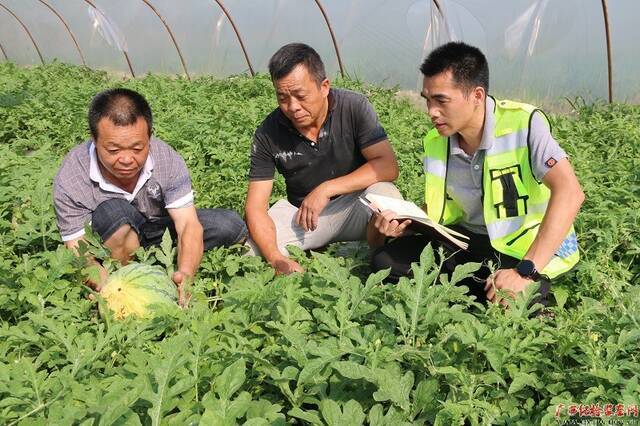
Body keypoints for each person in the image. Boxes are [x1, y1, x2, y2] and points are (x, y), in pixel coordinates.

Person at [369, 42, 584, 305]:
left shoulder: (523, 124)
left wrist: (525, 272)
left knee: (519, 296)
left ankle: (504, 288)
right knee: (385, 262)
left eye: (441, 101)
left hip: (520, 247)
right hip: (464, 240)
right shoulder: (437, 141)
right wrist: (405, 221)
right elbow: (441, 207)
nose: (431, 112)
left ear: (477, 96)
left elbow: (570, 193)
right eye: (427, 100)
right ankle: (481, 291)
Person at [53, 88, 247, 302]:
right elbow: (77, 250)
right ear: (94, 139)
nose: (126, 159)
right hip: (108, 240)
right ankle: (128, 283)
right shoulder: (72, 175)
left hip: (156, 229)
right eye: (114, 150)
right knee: (116, 215)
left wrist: (186, 275)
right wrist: (108, 290)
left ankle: (160, 270)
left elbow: (187, 224)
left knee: (230, 226)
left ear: (150, 137)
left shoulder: (166, 158)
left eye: (137, 148)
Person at [245, 43, 401, 274]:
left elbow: (387, 166)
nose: (292, 107)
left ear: (324, 86)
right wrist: (276, 259)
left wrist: (326, 188)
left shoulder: (354, 107)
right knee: (250, 250)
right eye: (283, 98)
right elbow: (255, 207)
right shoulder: (268, 133)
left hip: (355, 207)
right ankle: (331, 251)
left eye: (300, 96)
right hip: (305, 217)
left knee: (386, 199)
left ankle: (371, 251)